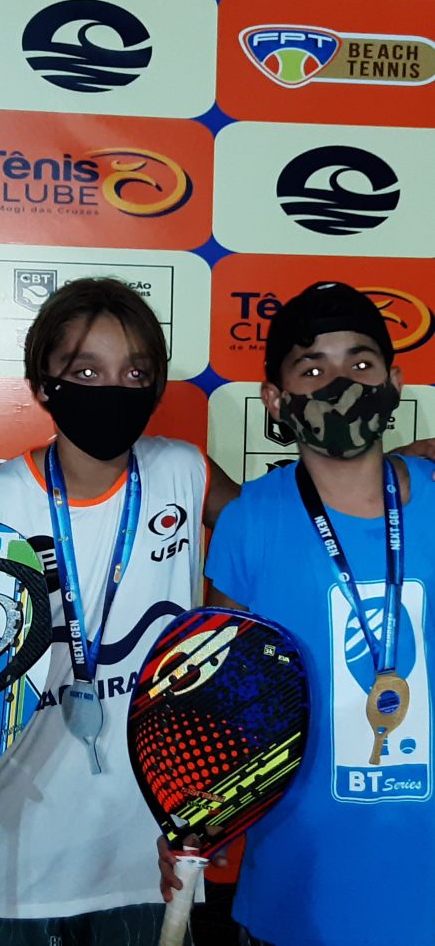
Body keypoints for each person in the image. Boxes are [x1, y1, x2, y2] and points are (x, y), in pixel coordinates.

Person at [0, 277, 237, 946]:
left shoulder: (184, 471)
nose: (113, 389)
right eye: (86, 371)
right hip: (11, 859)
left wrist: (374, 470)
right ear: (42, 384)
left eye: (136, 373)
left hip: (147, 856)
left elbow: (275, 531)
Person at [197, 281, 435, 946]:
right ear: (276, 399)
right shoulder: (250, 521)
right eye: (312, 368)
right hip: (297, 893)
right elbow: (224, 691)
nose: (340, 384)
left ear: (394, 383)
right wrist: (207, 811)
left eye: (361, 362)